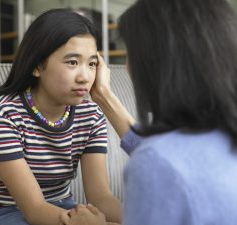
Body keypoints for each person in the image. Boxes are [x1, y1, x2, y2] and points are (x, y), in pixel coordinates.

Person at [61, 0, 237, 224]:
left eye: (130, 53)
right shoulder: (218, 136)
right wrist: (103, 95)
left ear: (155, 62)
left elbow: (165, 160)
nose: (127, 65)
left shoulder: (157, 163)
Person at [0, 8, 121, 225]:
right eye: (72, 62)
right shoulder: (3, 115)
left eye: (92, 64)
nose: (85, 77)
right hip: (3, 214)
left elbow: (101, 198)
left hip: (62, 205)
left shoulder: (91, 115)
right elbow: (34, 209)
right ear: (37, 66)